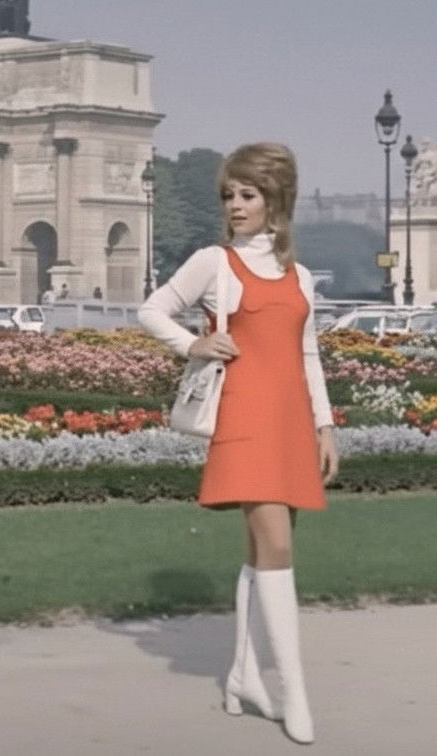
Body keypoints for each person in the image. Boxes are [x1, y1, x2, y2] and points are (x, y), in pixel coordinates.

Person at [137, 142, 337, 745]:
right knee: (276, 544)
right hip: (244, 419)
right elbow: (152, 310)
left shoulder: (300, 275)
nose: (236, 205)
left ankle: (243, 678)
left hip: (291, 422)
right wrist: (193, 344)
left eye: (248, 194)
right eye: (229, 195)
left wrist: (325, 425)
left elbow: (308, 355)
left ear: (276, 199)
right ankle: (294, 692)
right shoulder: (214, 263)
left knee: (260, 551)